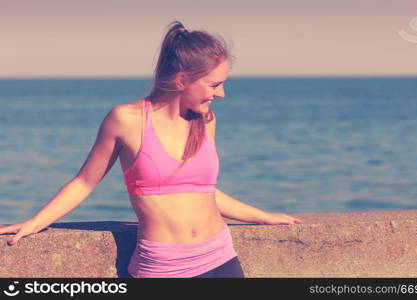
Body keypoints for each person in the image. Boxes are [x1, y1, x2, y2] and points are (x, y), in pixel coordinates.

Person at [0, 21, 303, 278]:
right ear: (183, 79)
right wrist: (36, 222)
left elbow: (203, 191)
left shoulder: (205, 120)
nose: (221, 94)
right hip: (162, 268)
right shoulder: (126, 120)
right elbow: (84, 182)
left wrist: (262, 216)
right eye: (214, 85)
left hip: (221, 258)